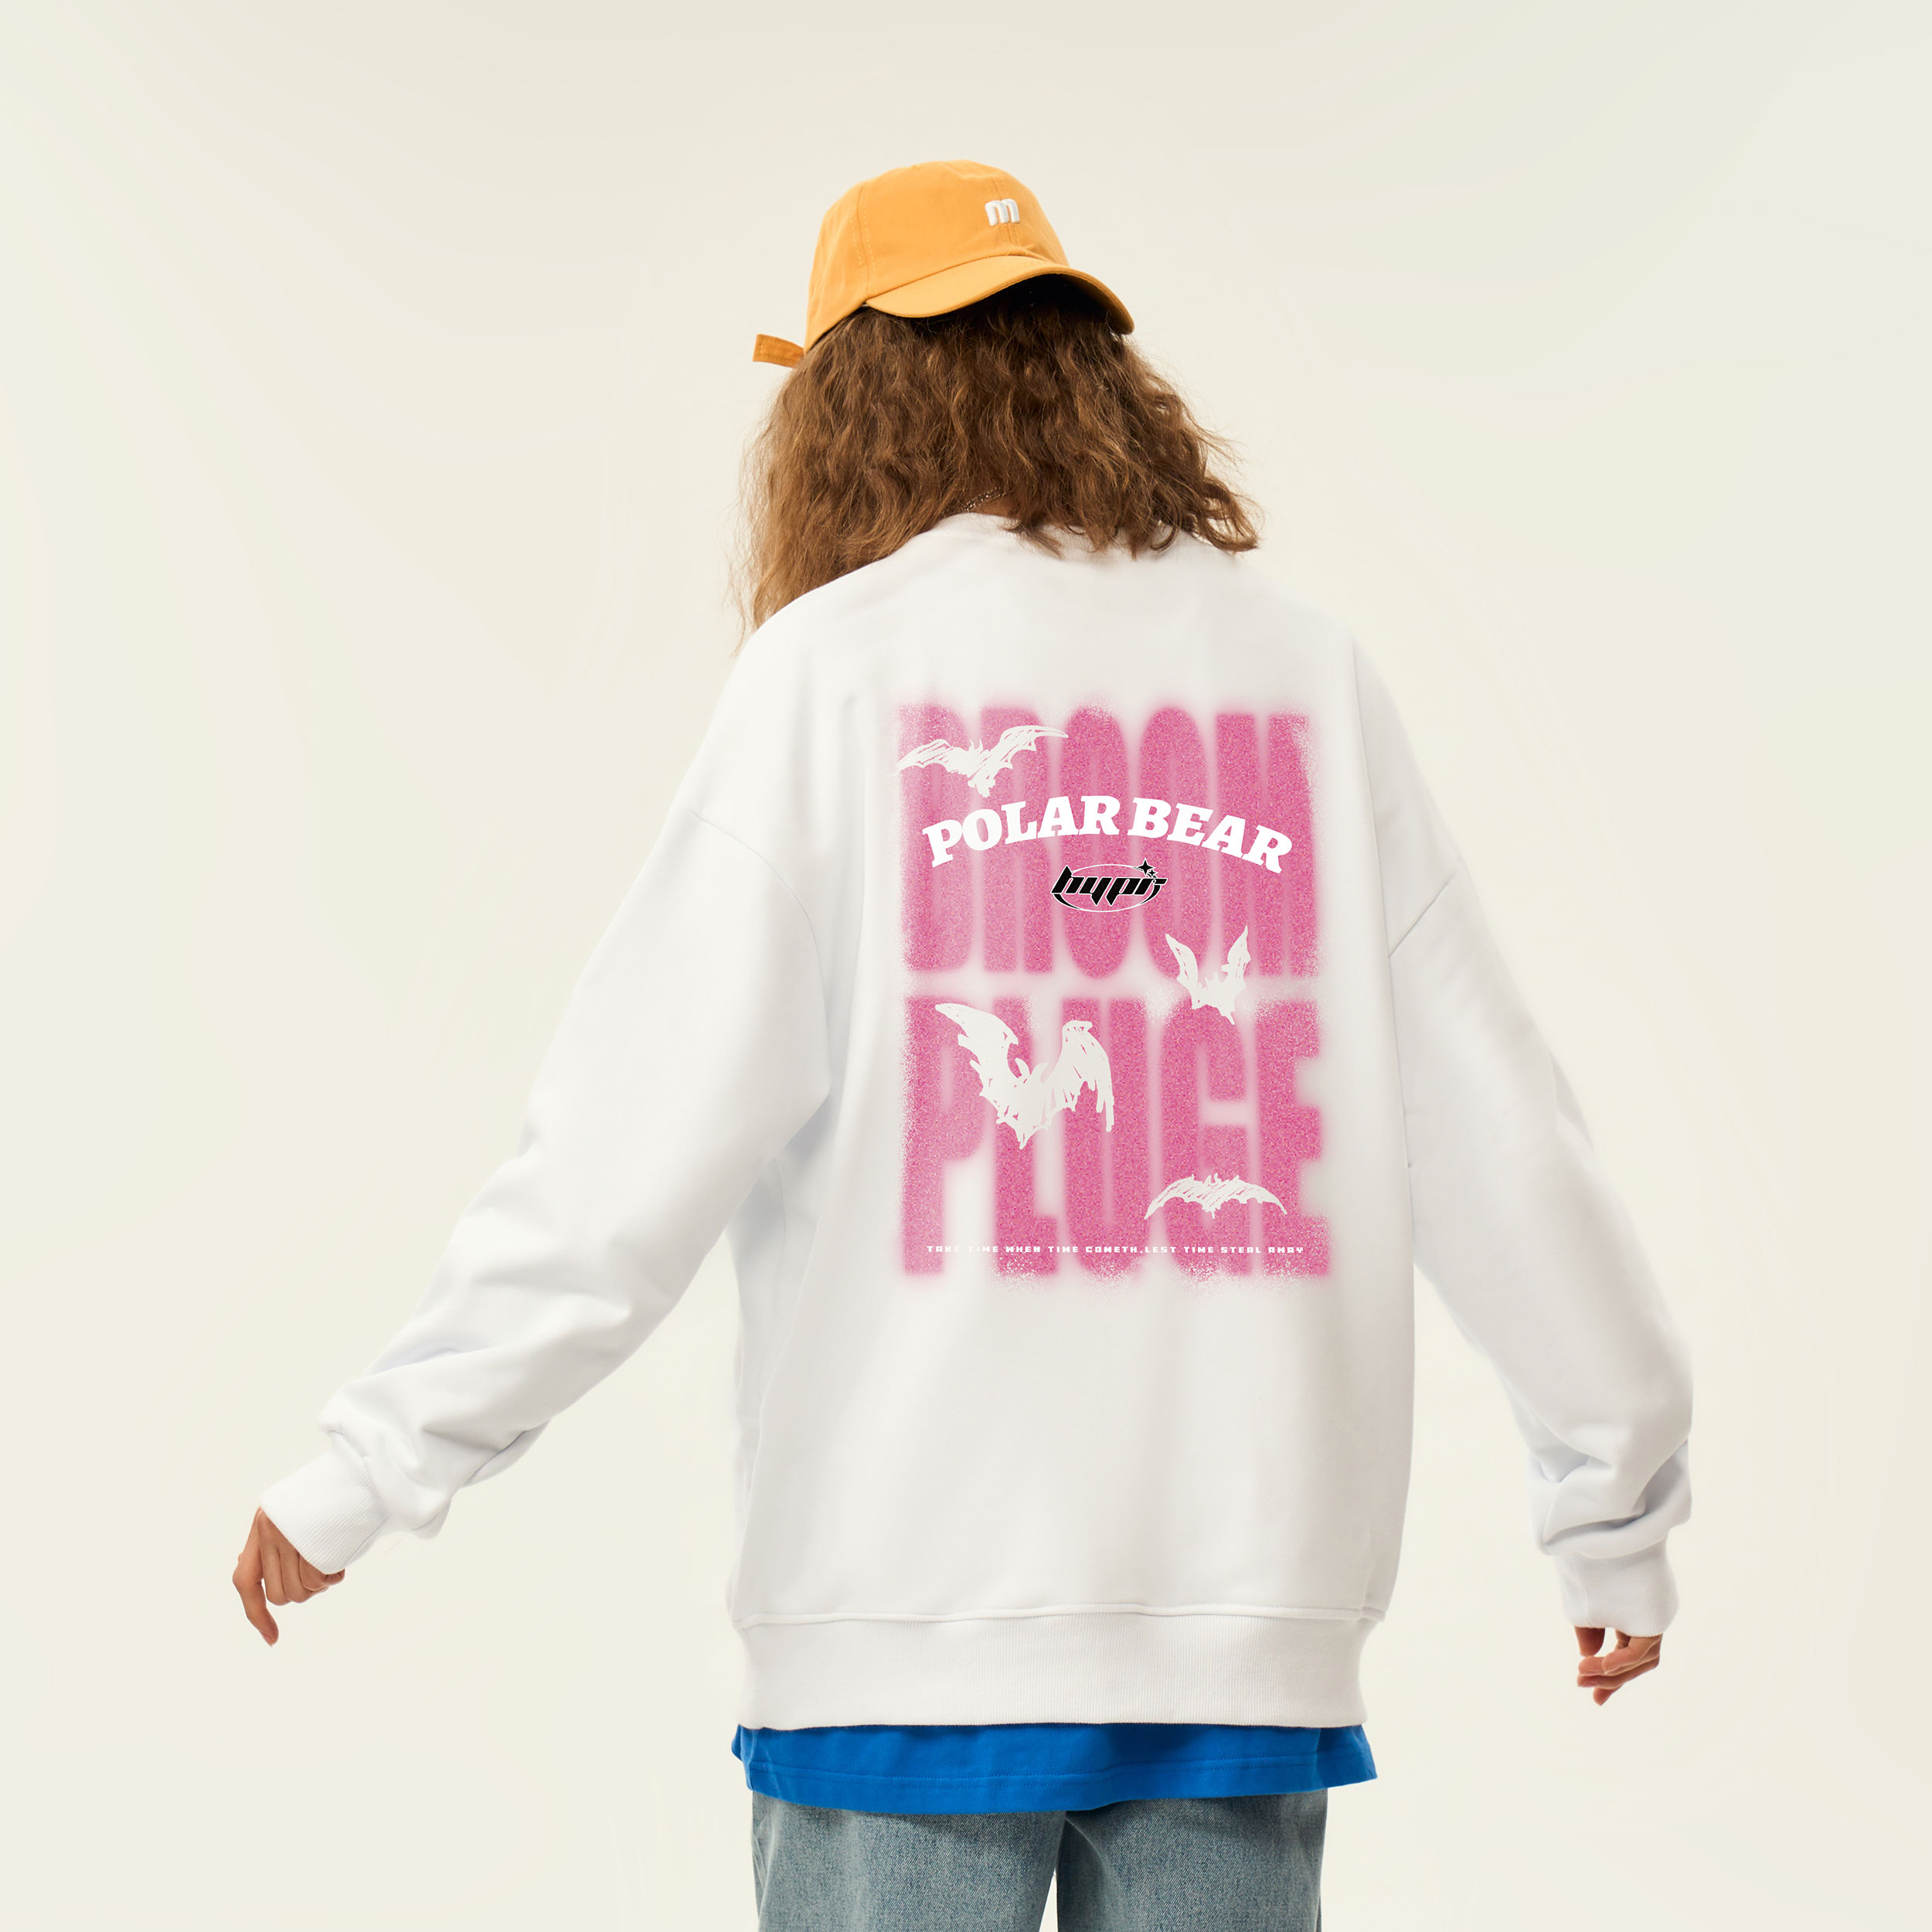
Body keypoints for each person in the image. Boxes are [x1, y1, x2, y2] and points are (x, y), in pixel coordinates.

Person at [235, 159, 1692, 1932]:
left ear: (845, 404)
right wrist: (1610, 1502)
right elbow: (1496, 1122)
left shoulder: (829, 677)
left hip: (900, 1622)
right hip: (1233, 1625)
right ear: (1095, 378)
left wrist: (369, 1466)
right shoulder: (1302, 676)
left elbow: (620, 1151)